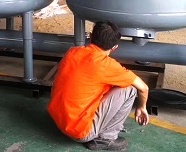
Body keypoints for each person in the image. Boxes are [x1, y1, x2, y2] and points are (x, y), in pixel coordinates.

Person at [47, 21, 150, 151]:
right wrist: (142, 107)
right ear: (115, 47)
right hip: (79, 132)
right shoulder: (107, 66)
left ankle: (98, 127)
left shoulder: (73, 52)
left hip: (58, 120)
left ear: (90, 36)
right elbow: (144, 88)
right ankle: (106, 139)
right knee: (130, 89)